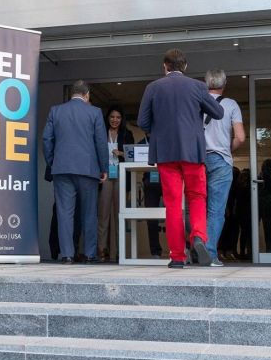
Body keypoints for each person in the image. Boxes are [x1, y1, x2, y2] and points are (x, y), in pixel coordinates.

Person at [137, 48, 223, 269]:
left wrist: (160, 130)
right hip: (192, 152)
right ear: (185, 66)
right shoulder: (198, 86)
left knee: (173, 204)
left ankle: (177, 257)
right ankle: (198, 237)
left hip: (166, 154)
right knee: (197, 197)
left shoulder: (153, 87)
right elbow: (218, 113)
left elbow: (143, 122)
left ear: (164, 66)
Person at [42, 80, 108, 264]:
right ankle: (89, 254)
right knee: (89, 213)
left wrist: (53, 162)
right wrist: (103, 168)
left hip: (62, 169)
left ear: (72, 94)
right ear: (87, 95)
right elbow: (101, 143)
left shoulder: (56, 111)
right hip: (88, 169)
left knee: (64, 213)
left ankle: (67, 255)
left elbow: (46, 139)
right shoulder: (94, 112)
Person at [203, 69, 246, 266]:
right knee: (216, 210)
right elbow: (241, 137)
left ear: (206, 84)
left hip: (198, 160)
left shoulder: (197, 103)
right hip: (221, 161)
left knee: (195, 207)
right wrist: (227, 149)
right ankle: (210, 254)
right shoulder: (231, 104)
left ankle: (193, 245)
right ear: (224, 84)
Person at [97, 106, 134, 262]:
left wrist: (122, 153)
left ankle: (120, 251)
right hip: (105, 176)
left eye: (118, 117)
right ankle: (102, 250)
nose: (115, 120)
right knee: (103, 215)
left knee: (120, 215)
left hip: (121, 175)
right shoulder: (100, 133)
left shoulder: (127, 134)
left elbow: (134, 156)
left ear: (122, 119)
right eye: (112, 117)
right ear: (107, 118)